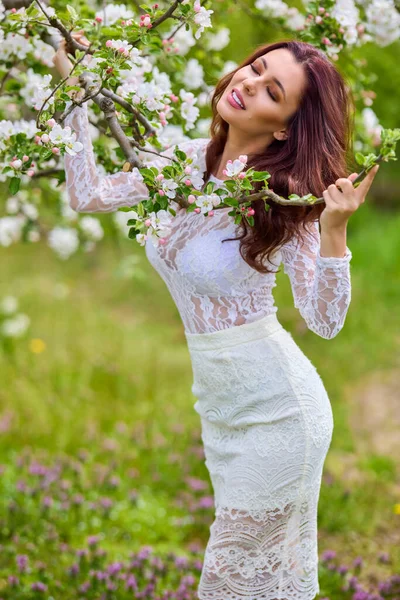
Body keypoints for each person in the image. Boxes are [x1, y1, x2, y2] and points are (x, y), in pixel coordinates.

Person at [53, 33, 379, 600]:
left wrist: (333, 231)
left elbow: (324, 321)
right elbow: (88, 193)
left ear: (283, 127)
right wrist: (74, 91)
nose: (248, 83)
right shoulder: (182, 163)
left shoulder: (284, 203)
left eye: (271, 90)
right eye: (254, 68)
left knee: (228, 585)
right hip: (221, 411)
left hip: (280, 415)